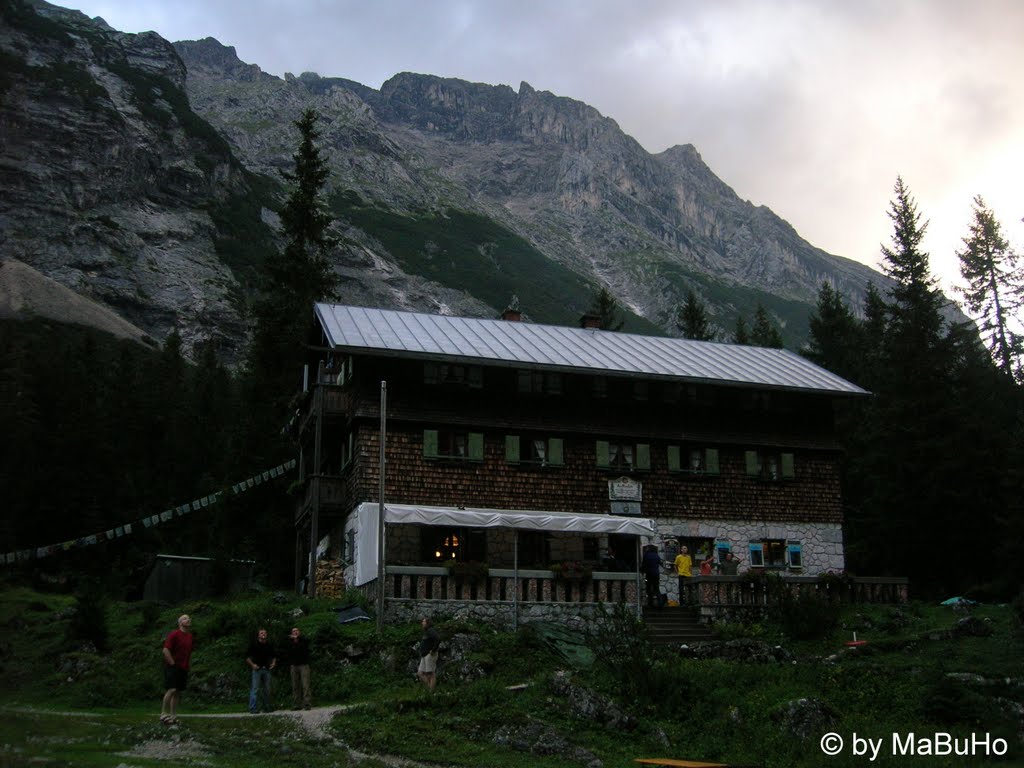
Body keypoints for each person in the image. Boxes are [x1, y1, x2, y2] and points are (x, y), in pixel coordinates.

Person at [161, 614, 194, 726]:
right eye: (185, 618)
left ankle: (173, 716)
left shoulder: (190, 636)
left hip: (183, 667)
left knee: (177, 692)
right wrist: (172, 664)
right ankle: (163, 713)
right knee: (172, 689)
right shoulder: (174, 634)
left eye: (189, 618)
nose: (188, 619)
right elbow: (165, 650)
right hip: (173, 666)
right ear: (180, 622)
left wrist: (186, 666)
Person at [245, 628, 277, 713]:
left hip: (266, 669)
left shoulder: (269, 645)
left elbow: (274, 655)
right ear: (258, 635)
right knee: (255, 689)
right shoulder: (254, 645)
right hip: (257, 670)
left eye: (265, 633)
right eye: (262, 633)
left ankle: (267, 707)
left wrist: (273, 663)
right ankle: (253, 708)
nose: (263, 634)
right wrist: (252, 665)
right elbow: (247, 657)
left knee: (267, 689)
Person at [286, 627, 312, 710]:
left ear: (299, 632)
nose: (295, 632)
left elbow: (308, 641)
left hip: (304, 665)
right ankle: (296, 704)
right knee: (295, 686)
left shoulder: (303, 640)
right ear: (291, 633)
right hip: (294, 666)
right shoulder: (290, 642)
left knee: (305, 685)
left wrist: (298, 638)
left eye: (296, 631)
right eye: (293, 631)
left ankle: (307, 704)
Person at [417, 616, 440, 693]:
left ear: (427, 623)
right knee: (420, 673)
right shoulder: (427, 631)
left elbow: (437, 639)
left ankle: (431, 691)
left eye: (424, 622)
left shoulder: (431, 631)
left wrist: (433, 650)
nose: (422, 623)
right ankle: (429, 687)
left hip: (429, 655)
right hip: (424, 655)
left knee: (430, 673)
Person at [641, 544, 663, 608]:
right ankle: (660, 602)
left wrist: (642, 572)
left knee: (648, 588)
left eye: (647, 548)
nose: (646, 549)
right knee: (656, 588)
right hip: (656, 574)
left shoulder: (646, 555)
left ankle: (650, 603)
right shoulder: (656, 555)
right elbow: (659, 562)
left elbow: (644, 565)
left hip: (649, 574)